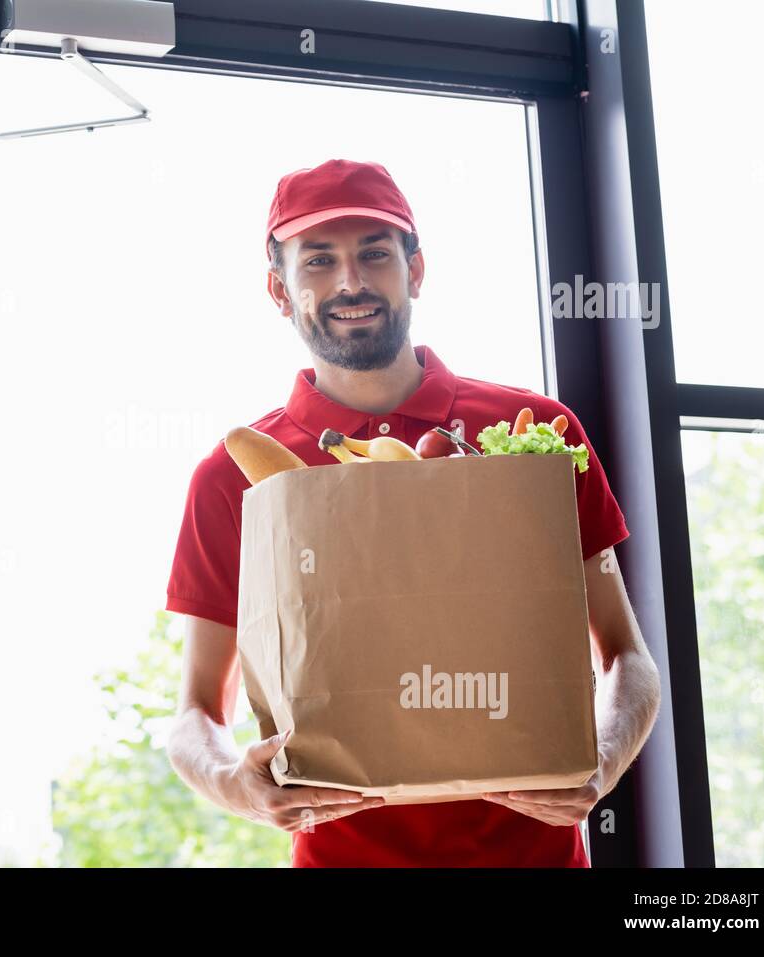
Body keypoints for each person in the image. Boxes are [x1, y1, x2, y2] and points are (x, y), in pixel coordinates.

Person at [163, 159, 662, 867]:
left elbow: (628, 656)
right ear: (280, 289)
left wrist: (602, 762)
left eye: (374, 252)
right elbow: (195, 712)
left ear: (415, 270)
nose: (351, 283)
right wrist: (235, 784)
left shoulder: (534, 432)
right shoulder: (235, 477)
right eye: (319, 261)